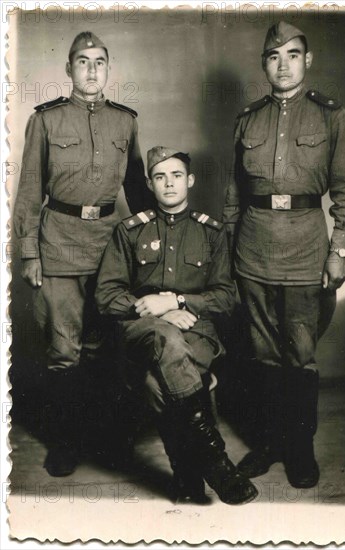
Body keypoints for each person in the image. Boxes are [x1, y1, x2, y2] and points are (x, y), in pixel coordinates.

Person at [223, 21, 345, 488]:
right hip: (253, 247)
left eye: (293, 55)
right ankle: (267, 443)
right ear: (264, 64)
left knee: (298, 355)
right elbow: (234, 196)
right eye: (274, 56)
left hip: (305, 246)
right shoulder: (248, 118)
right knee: (260, 353)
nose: (283, 65)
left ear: (308, 61)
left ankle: (300, 449)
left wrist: (338, 250)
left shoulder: (330, 116)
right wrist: (229, 252)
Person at [13, 31, 151, 477]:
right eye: (83, 62)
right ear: (69, 69)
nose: (92, 70)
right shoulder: (47, 120)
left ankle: (100, 438)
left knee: (104, 347)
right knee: (62, 350)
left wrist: (157, 243)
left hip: (109, 246)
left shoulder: (126, 121)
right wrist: (29, 253)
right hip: (58, 245)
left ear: (108, 69)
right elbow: (30, 191)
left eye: (100, 62)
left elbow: (137, 189)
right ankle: (64, 443)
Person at [95, 145, 258, 505]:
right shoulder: (130, 231)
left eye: (176, 175)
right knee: (166, 337)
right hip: (143, 329)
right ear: (150, 185)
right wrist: (157, 312)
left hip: (197, 331)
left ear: (190, 181)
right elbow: (106, 296)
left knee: (157, 384)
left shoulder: (212, 233)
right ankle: (218, 463)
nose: (169, 184)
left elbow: (226, 297)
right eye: (160, 177)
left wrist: (179, 301)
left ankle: (187, 479)